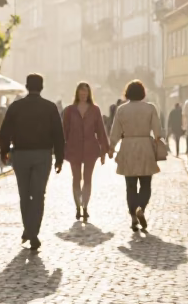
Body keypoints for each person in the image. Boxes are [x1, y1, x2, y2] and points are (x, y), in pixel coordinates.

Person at [0, 73, 65, 252]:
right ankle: (33, 231)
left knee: (24, 194)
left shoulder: (16, 107)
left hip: (20, 154)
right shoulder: (50, 107)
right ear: (41, 87)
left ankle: (29, 229)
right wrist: (59, 158)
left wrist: (3, 151)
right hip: (43, 154)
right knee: (38, 195)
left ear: (27, 86)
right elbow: (59, 134)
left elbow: (4, 132)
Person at [109, 80, 163, 233]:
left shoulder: (121, 110)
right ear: (142, 93)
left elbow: (115, 131)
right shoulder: (150, 108)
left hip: (128, 146)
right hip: (145, 146)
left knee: (130, 185)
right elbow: (158, 131)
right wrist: (159, 141)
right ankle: (141, 207)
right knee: (146, 183)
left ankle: (133, 216)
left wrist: (112, 147)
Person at [62, 81, 110, 222]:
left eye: (86, 92)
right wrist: (60, 150)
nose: (83, 94)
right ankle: (77, 206)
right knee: (76, 178)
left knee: (87, 179)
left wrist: (104, 151)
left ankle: (85, 207)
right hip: (73, 149)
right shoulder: (69, 110)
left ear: (89, 94)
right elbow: (64, 131)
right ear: (77, 93)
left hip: (90, 149)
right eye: (81, 91)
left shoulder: (95, 110)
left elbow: (101, 131)